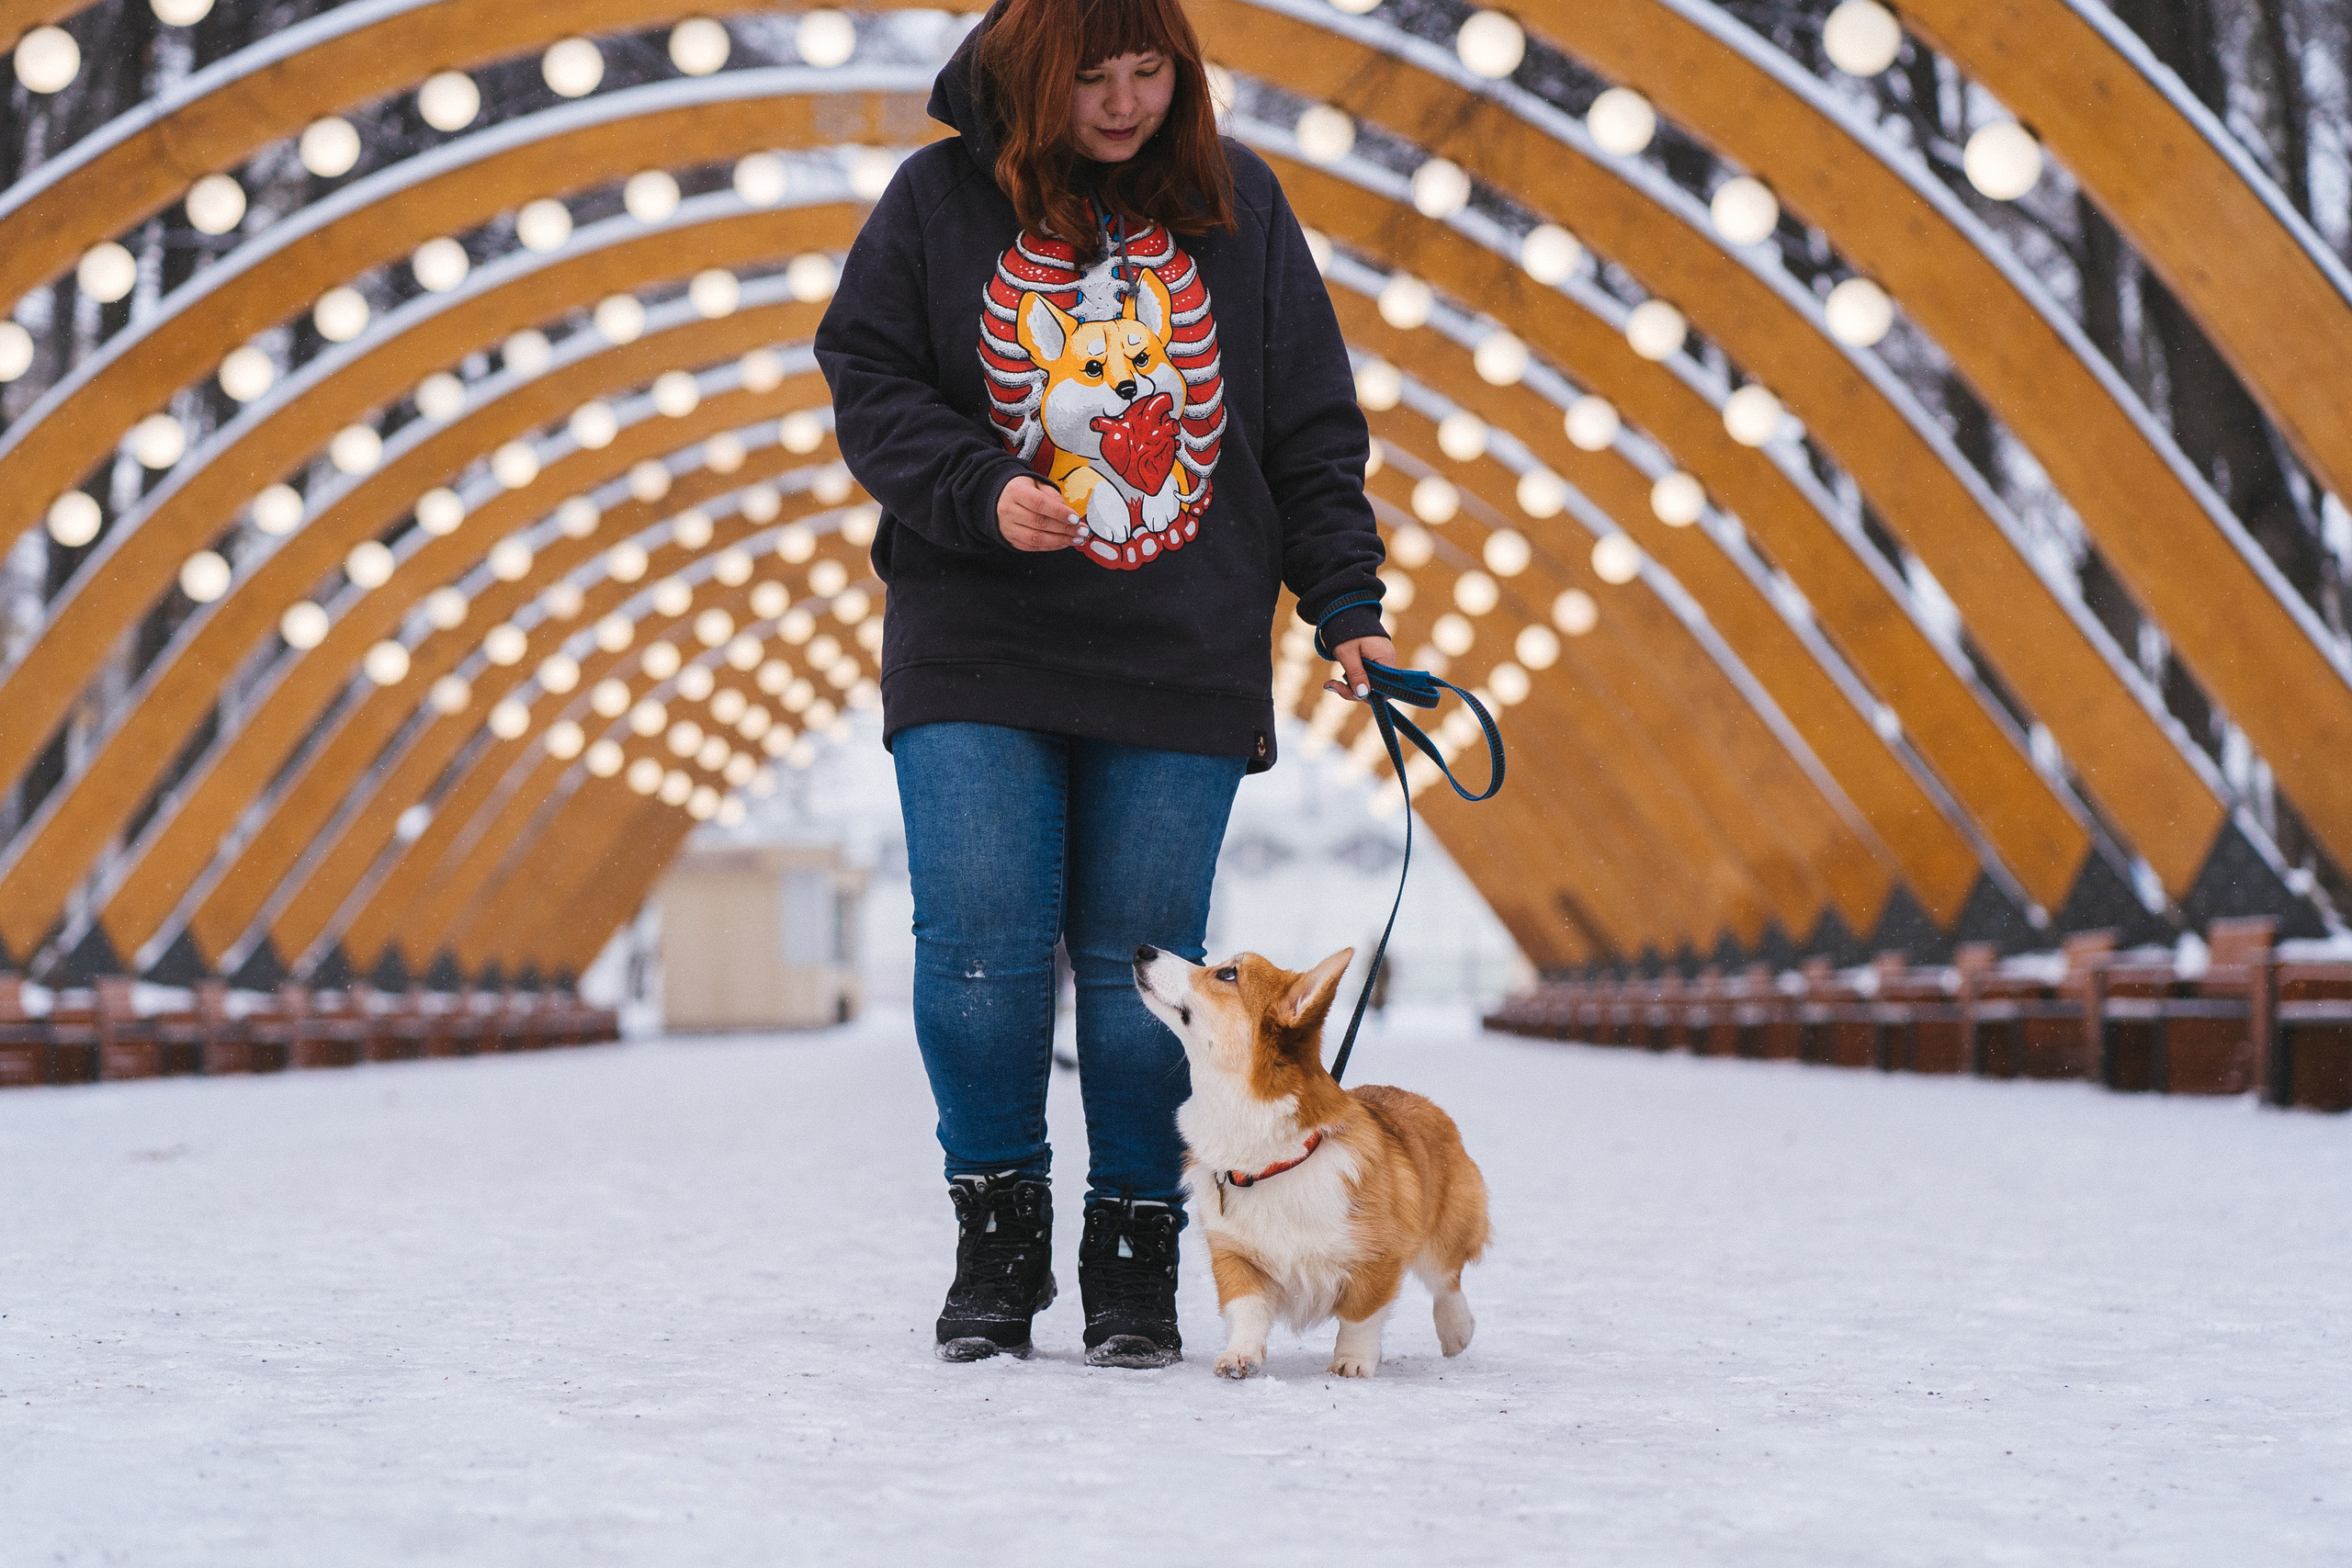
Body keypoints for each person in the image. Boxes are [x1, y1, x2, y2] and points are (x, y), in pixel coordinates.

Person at [815, 0, 1393, 1368]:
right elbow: (870, 375)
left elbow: (1309, 423)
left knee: (1155, 980)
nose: (1125, 103)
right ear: (1031, 70)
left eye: (1150, 73)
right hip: (976, 628)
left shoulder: (1238, 205)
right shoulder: (935, 201)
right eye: (1094, 77)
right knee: (979, 957)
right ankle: (997, 1244)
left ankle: (1135, 1250)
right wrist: (981, 488)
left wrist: (1348, 604)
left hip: (1178, 644)